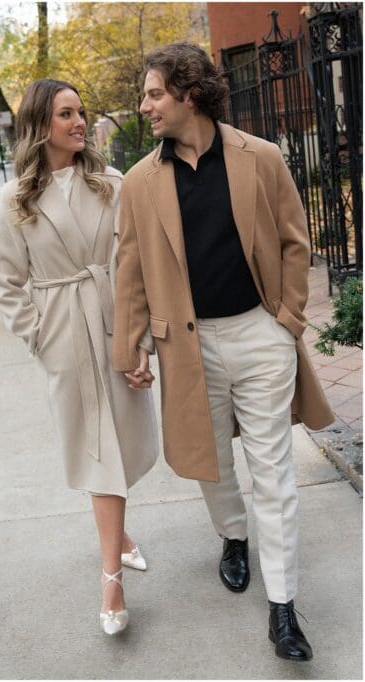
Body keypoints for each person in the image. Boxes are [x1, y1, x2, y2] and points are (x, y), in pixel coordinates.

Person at [111, 42, 334, 661]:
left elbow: (295, 240)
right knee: (210, 462)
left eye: (154, 93)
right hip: (187, 347)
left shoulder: (259, 157)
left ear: (189, 93)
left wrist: (285, 320)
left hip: (260, 336)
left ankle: (283, 609)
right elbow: (129, 270)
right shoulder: (139, 183)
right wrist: (129, 345)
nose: (144, 105)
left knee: (276, 474)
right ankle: (233, 536)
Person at [0, 78, 160, 636]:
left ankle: (116, 549)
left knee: (113, 449)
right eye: (67, 114)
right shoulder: (16, 200)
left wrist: (139, 340)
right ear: (41, 125)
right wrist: (39, 334)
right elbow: (5, 280)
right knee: (97, 452)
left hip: (113, 324)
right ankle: (113, 574)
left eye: (81, 112)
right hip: (63, 333)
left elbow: (133, 265)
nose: (80, 122)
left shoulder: (111, 183)